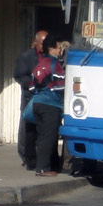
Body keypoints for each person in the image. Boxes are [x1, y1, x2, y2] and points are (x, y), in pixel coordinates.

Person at [29, 35, 67, 177]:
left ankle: (50, 166)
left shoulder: (40, 64)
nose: (60, 51)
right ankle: (43, 169)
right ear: (52, 48)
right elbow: (60, 86)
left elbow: (32, 87)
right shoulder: (54, 64)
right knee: (49, 137)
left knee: (42, 136)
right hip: (50, 105)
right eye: (58, 48)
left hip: (37, 103)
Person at [14, 29, 46, 169]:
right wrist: (34, 84)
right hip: (30, 97)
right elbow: (19, 76)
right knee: (27, 128)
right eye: (43, 43)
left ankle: (42, 157)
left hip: (46, 98)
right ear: (36, 43)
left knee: (44, 129)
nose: (45, 46)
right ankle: (26, 157)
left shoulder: (50, 57)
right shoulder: (26, 57)